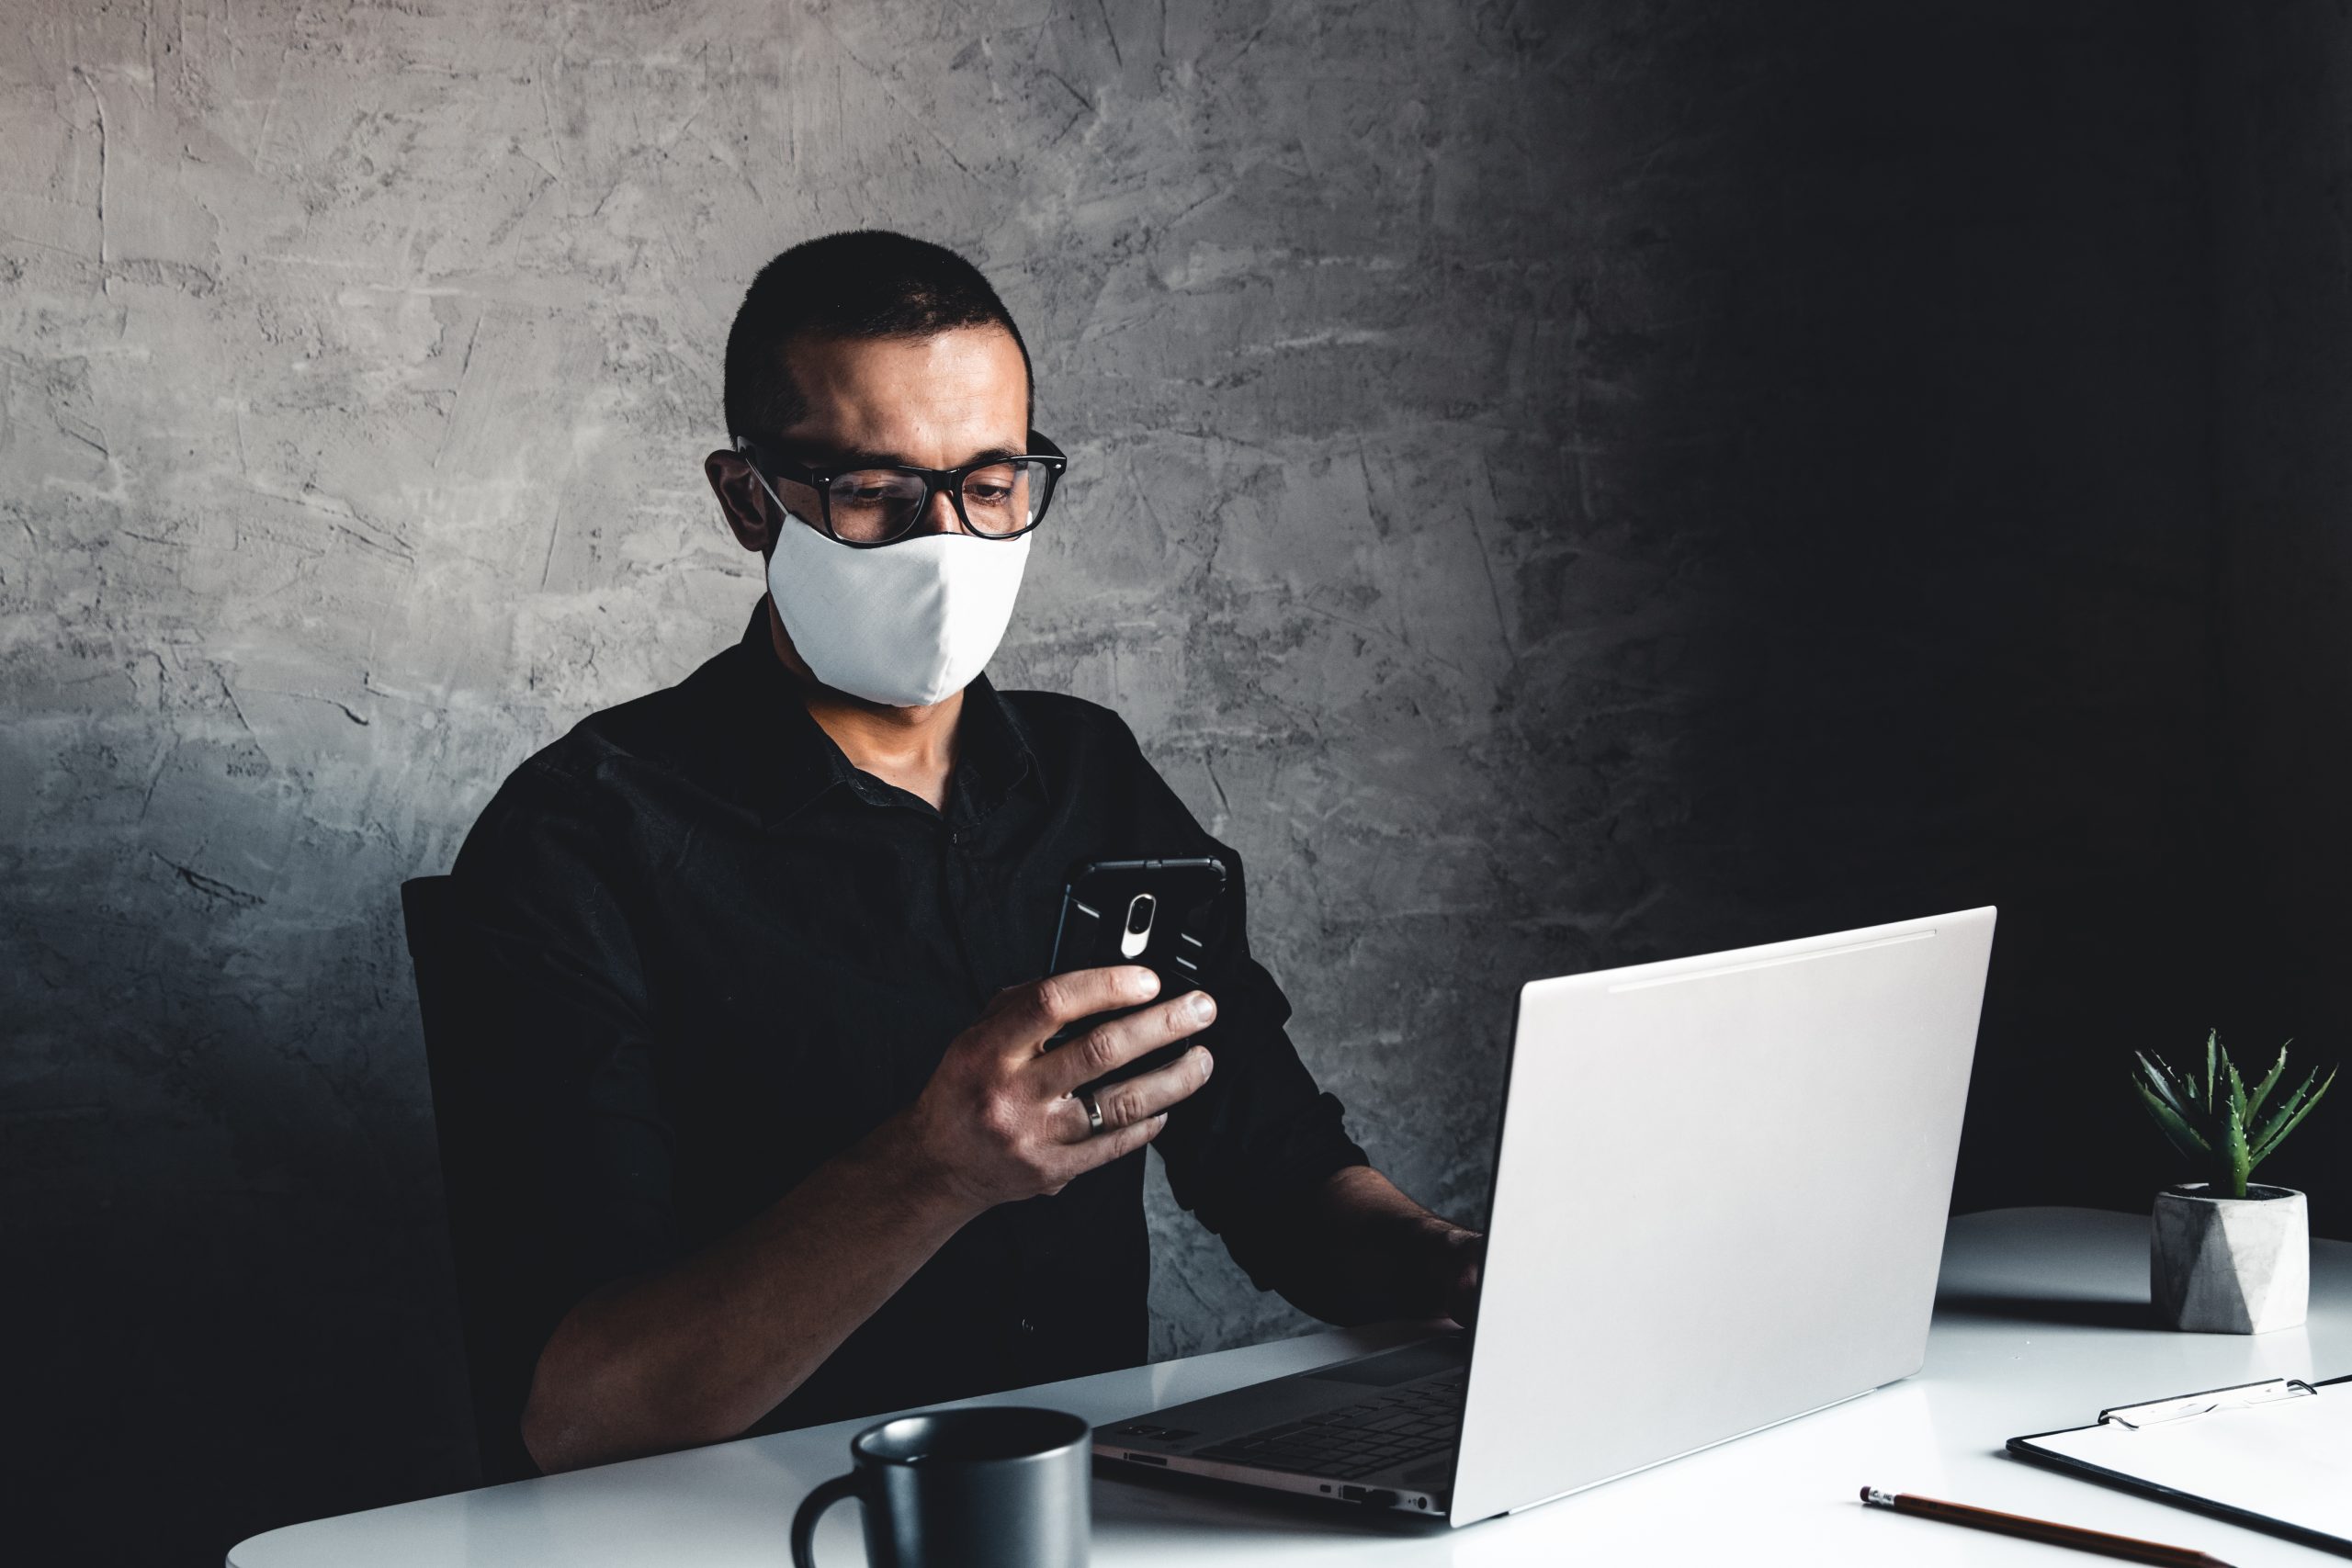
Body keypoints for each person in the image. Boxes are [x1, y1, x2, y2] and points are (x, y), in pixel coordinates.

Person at [452, 231, 1483, 1475]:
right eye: (877, 490)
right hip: (754, 1530)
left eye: (991, 484)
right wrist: (927, 1173)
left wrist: (1453, 1267)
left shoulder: (1093, 781)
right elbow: (578, 1413)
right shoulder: (582, 840)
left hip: (1091, 1509)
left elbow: (1274, 1167)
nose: (949, 542)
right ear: (746, 500)